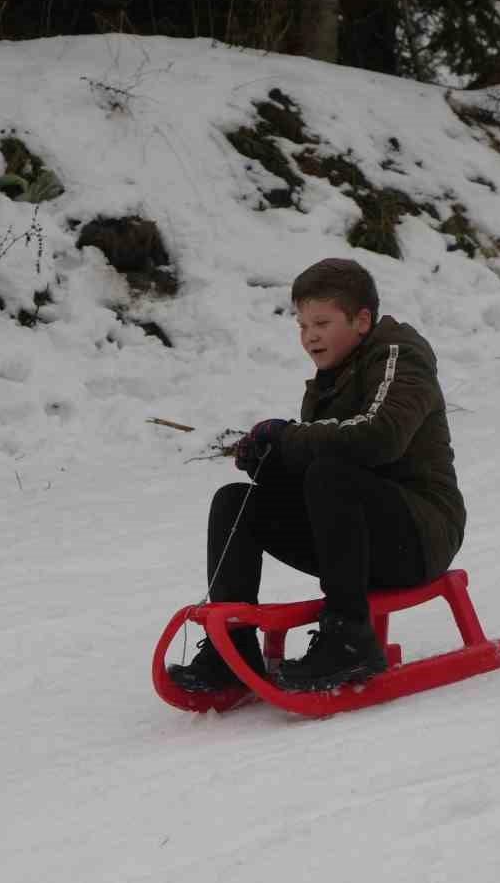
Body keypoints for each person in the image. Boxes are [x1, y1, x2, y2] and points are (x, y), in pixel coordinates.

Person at [169, 258, 466, 694]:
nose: (309, 336)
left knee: (331, 475)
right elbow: (316, 462)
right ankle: (232, 646)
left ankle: (350, 640)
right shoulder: (328, 383)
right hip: (358, 538)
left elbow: (379, 438)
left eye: (322, 322)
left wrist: (290, 438)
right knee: (236, 501)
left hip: (421, 534)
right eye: (302, 325)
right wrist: (269, 461)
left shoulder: (400, 359)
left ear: (361, 320)